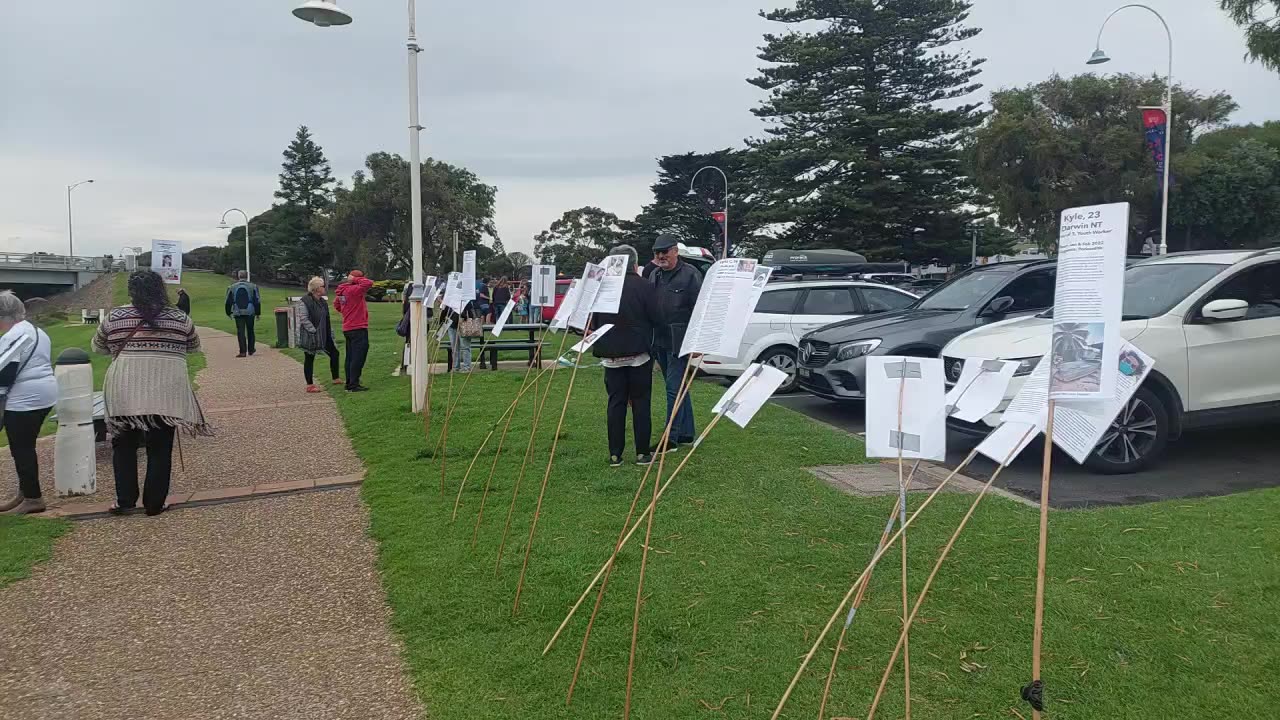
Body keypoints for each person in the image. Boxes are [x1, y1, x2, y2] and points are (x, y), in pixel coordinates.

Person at [93, 270, 209, 516]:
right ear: (161, 288)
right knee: (160, 447)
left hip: (124, 389)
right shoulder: (179, 317)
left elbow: (98, 346)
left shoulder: (116, 316)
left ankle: (124, 500)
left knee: (123, 446)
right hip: (165, 391)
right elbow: (195, 346)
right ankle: (154, 503)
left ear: (131, 291)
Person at [591, 245, 662, 467]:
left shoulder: (602, 288)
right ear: (634, 264)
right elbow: (657, 318)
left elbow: (595, 322)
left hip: (610, 353)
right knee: (641, 402)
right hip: (639, 352)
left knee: (616, 403)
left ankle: (615, 454)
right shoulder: (645, 286)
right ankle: (642, 453)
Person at [0, 292, 57, 515]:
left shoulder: (13, 335)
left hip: (25, 398)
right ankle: (25, 493)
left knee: (21, 448)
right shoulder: (36, 331)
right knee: (24, 445)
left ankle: (33, 498)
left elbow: (5, 373)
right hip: (44, 392)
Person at [649, 233, 702, 448]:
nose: (661, 256)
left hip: (681, 340)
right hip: (658, 339)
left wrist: (697, 342)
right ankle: (686, 434)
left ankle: (670, 438)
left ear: (675, 251)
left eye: (665, 252)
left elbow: (699, 310)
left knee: (673, 388)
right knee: (678, 387)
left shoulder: (691, 274)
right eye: (657, 253)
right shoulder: (654, 275)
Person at [297, 277, 342, 393]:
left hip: (324, 334)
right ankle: (310, 385)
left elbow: (326, 318)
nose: (324, 288)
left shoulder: (323, 302)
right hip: (310, 335)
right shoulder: (305, 301)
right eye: (322, 286)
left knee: (334, 353)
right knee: (309, 357)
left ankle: (336, 378)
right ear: (316, 289)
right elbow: (303, 318)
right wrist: (313, 330)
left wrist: (329, 332)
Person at [335, 269, 374, 392]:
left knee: (350, 357)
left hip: (348, 327)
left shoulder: (341, 292)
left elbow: (337, 305)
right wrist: (355, 279)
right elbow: (368, 283)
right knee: (358, 356)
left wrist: (347, 312)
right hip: (358, 327)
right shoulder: (354, 290)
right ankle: (354, 384)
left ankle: (349, 382)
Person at [224, 270, 261, 358]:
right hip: (250, 311)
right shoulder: (253, 286)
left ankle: (242, 351)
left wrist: (228, 312)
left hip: (237, 311)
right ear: (247, 276)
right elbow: (257, 301)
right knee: (250, 330)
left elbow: (228, 301)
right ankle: (251, 349)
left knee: (240, 331)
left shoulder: (232, 287)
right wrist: (258, 313)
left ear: (238, 276)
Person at [443, 299, 479, 372]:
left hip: (464, 324)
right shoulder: (450, 299)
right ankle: (456, 367)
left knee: (465, 347)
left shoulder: (466, 300)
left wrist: (463, 315)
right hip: (451, 324)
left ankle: (467, 367)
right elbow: (445, 311)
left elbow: (470, 312)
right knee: (454, 347)